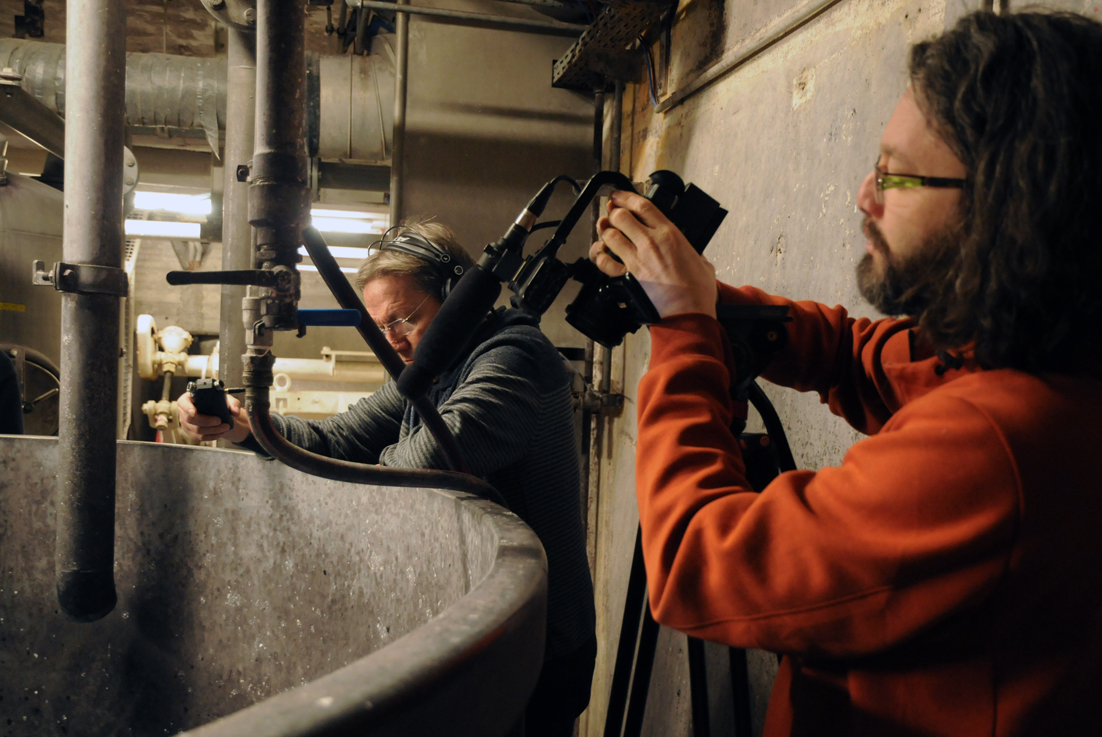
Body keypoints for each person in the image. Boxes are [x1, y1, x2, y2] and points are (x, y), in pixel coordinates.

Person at [590, 11, 1102, 737]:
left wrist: (683, 331)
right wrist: (703, 297)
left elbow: (695, 556)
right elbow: (858, 356)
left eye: (896, 173)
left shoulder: (995, 444)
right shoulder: (1037, 360)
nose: (865, 194)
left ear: (1007, 203)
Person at [179, 221, 596, 737]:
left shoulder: (516, 359)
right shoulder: (432, 366)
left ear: (459, 297)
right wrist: (247, 426)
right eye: (380, 326)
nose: (392, 341)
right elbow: (334, 442)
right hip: (488, 630)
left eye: (402, 320)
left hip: (542, 645)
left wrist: (360, 471)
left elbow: (426, 460)